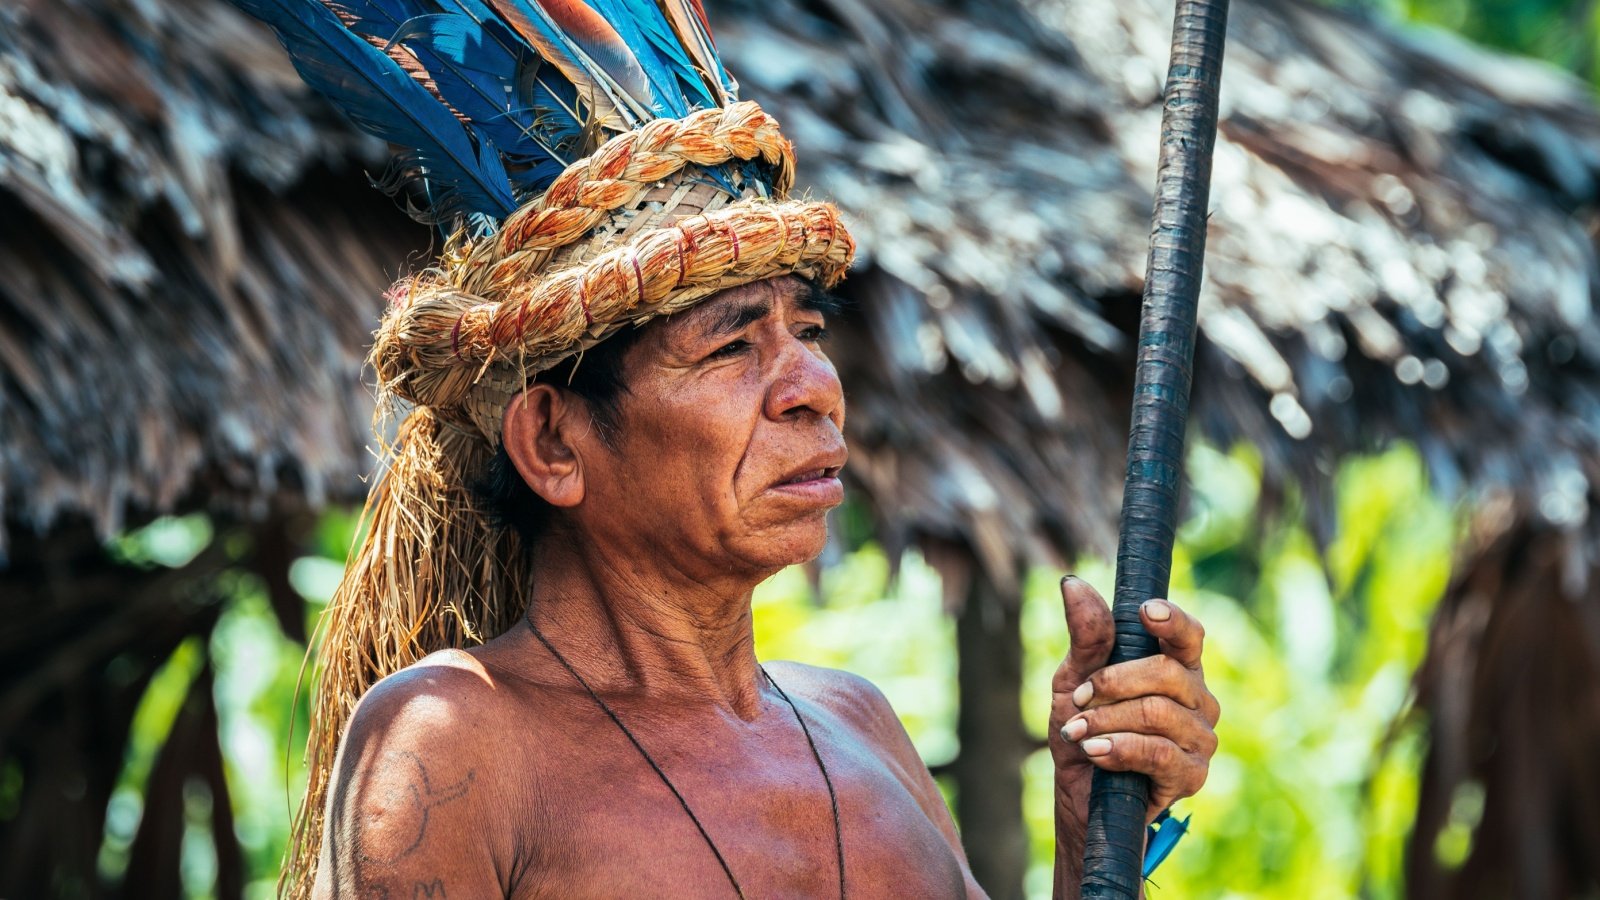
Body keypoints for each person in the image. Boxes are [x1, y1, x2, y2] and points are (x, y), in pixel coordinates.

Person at [231, 3, 1220, 898]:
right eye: (733, 344)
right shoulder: (453, 742)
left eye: (809, 332)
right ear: (552, 441)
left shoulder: (860, 725)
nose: (811, 388)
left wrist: (1092, 840)